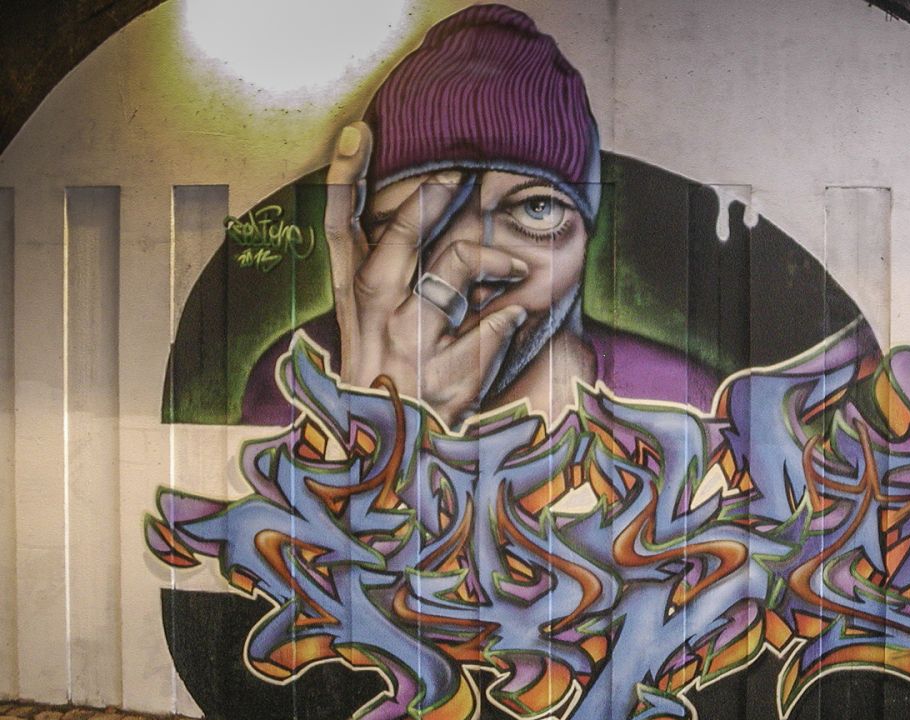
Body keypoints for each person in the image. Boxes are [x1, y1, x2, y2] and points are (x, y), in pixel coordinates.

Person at [243, 4, 717, 428]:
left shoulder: (679, 409)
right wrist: (381, 427)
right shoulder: (296, 385)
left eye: (535, 210)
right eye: (416, 217)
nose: (470, 268)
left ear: (585, 234)